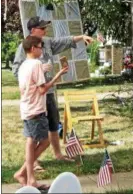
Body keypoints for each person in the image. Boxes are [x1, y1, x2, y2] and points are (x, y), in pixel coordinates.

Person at [12, 16, 94, 168]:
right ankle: (33, 162)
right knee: (35, 130)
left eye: (45, 28)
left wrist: (81, 37)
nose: (45, 30)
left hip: (49, 91)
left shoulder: (47, 42)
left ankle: (58, 154)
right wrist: (36, 72)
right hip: (36, 96)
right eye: (42, 28)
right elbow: (17, 70)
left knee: (53, 124)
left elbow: (64, 41)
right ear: (33, 30)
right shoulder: (24, 47)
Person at [14, 36, 68, 189]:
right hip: (36, 110)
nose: (42, 49)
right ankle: (23, 172)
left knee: (31, 142)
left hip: (26, 108)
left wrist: (43, 70)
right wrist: (58, 75)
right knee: (45, 142)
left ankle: (30, 178)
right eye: (39, 46)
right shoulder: (37, 63)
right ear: (32, 48)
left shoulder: (24, 65)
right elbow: (43, 89)